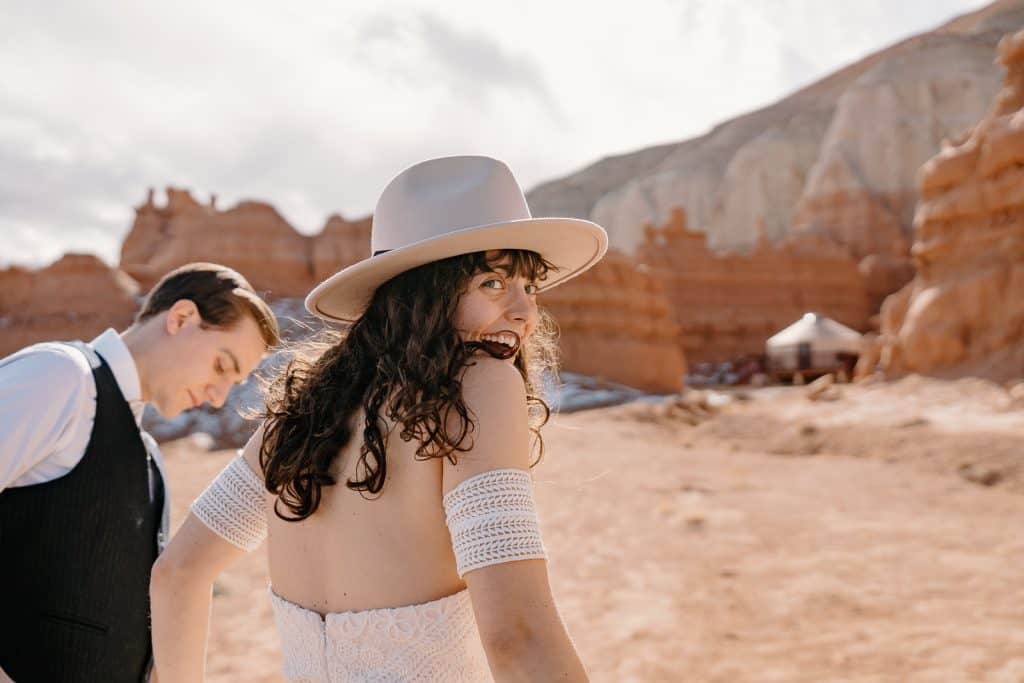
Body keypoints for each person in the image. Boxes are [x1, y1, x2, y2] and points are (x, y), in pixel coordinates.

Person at [150, 155, 608, 682]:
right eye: (492, 283)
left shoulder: (299, 415)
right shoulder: (481, 383)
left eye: (531, 287)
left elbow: (176, 574)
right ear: (425, 290)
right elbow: (516, 634)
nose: (526, 313)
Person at [0, 262, 280, 683]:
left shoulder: (149, 458)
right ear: (181, 318)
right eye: (222, 366)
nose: (219, 397)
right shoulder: (62, 377)